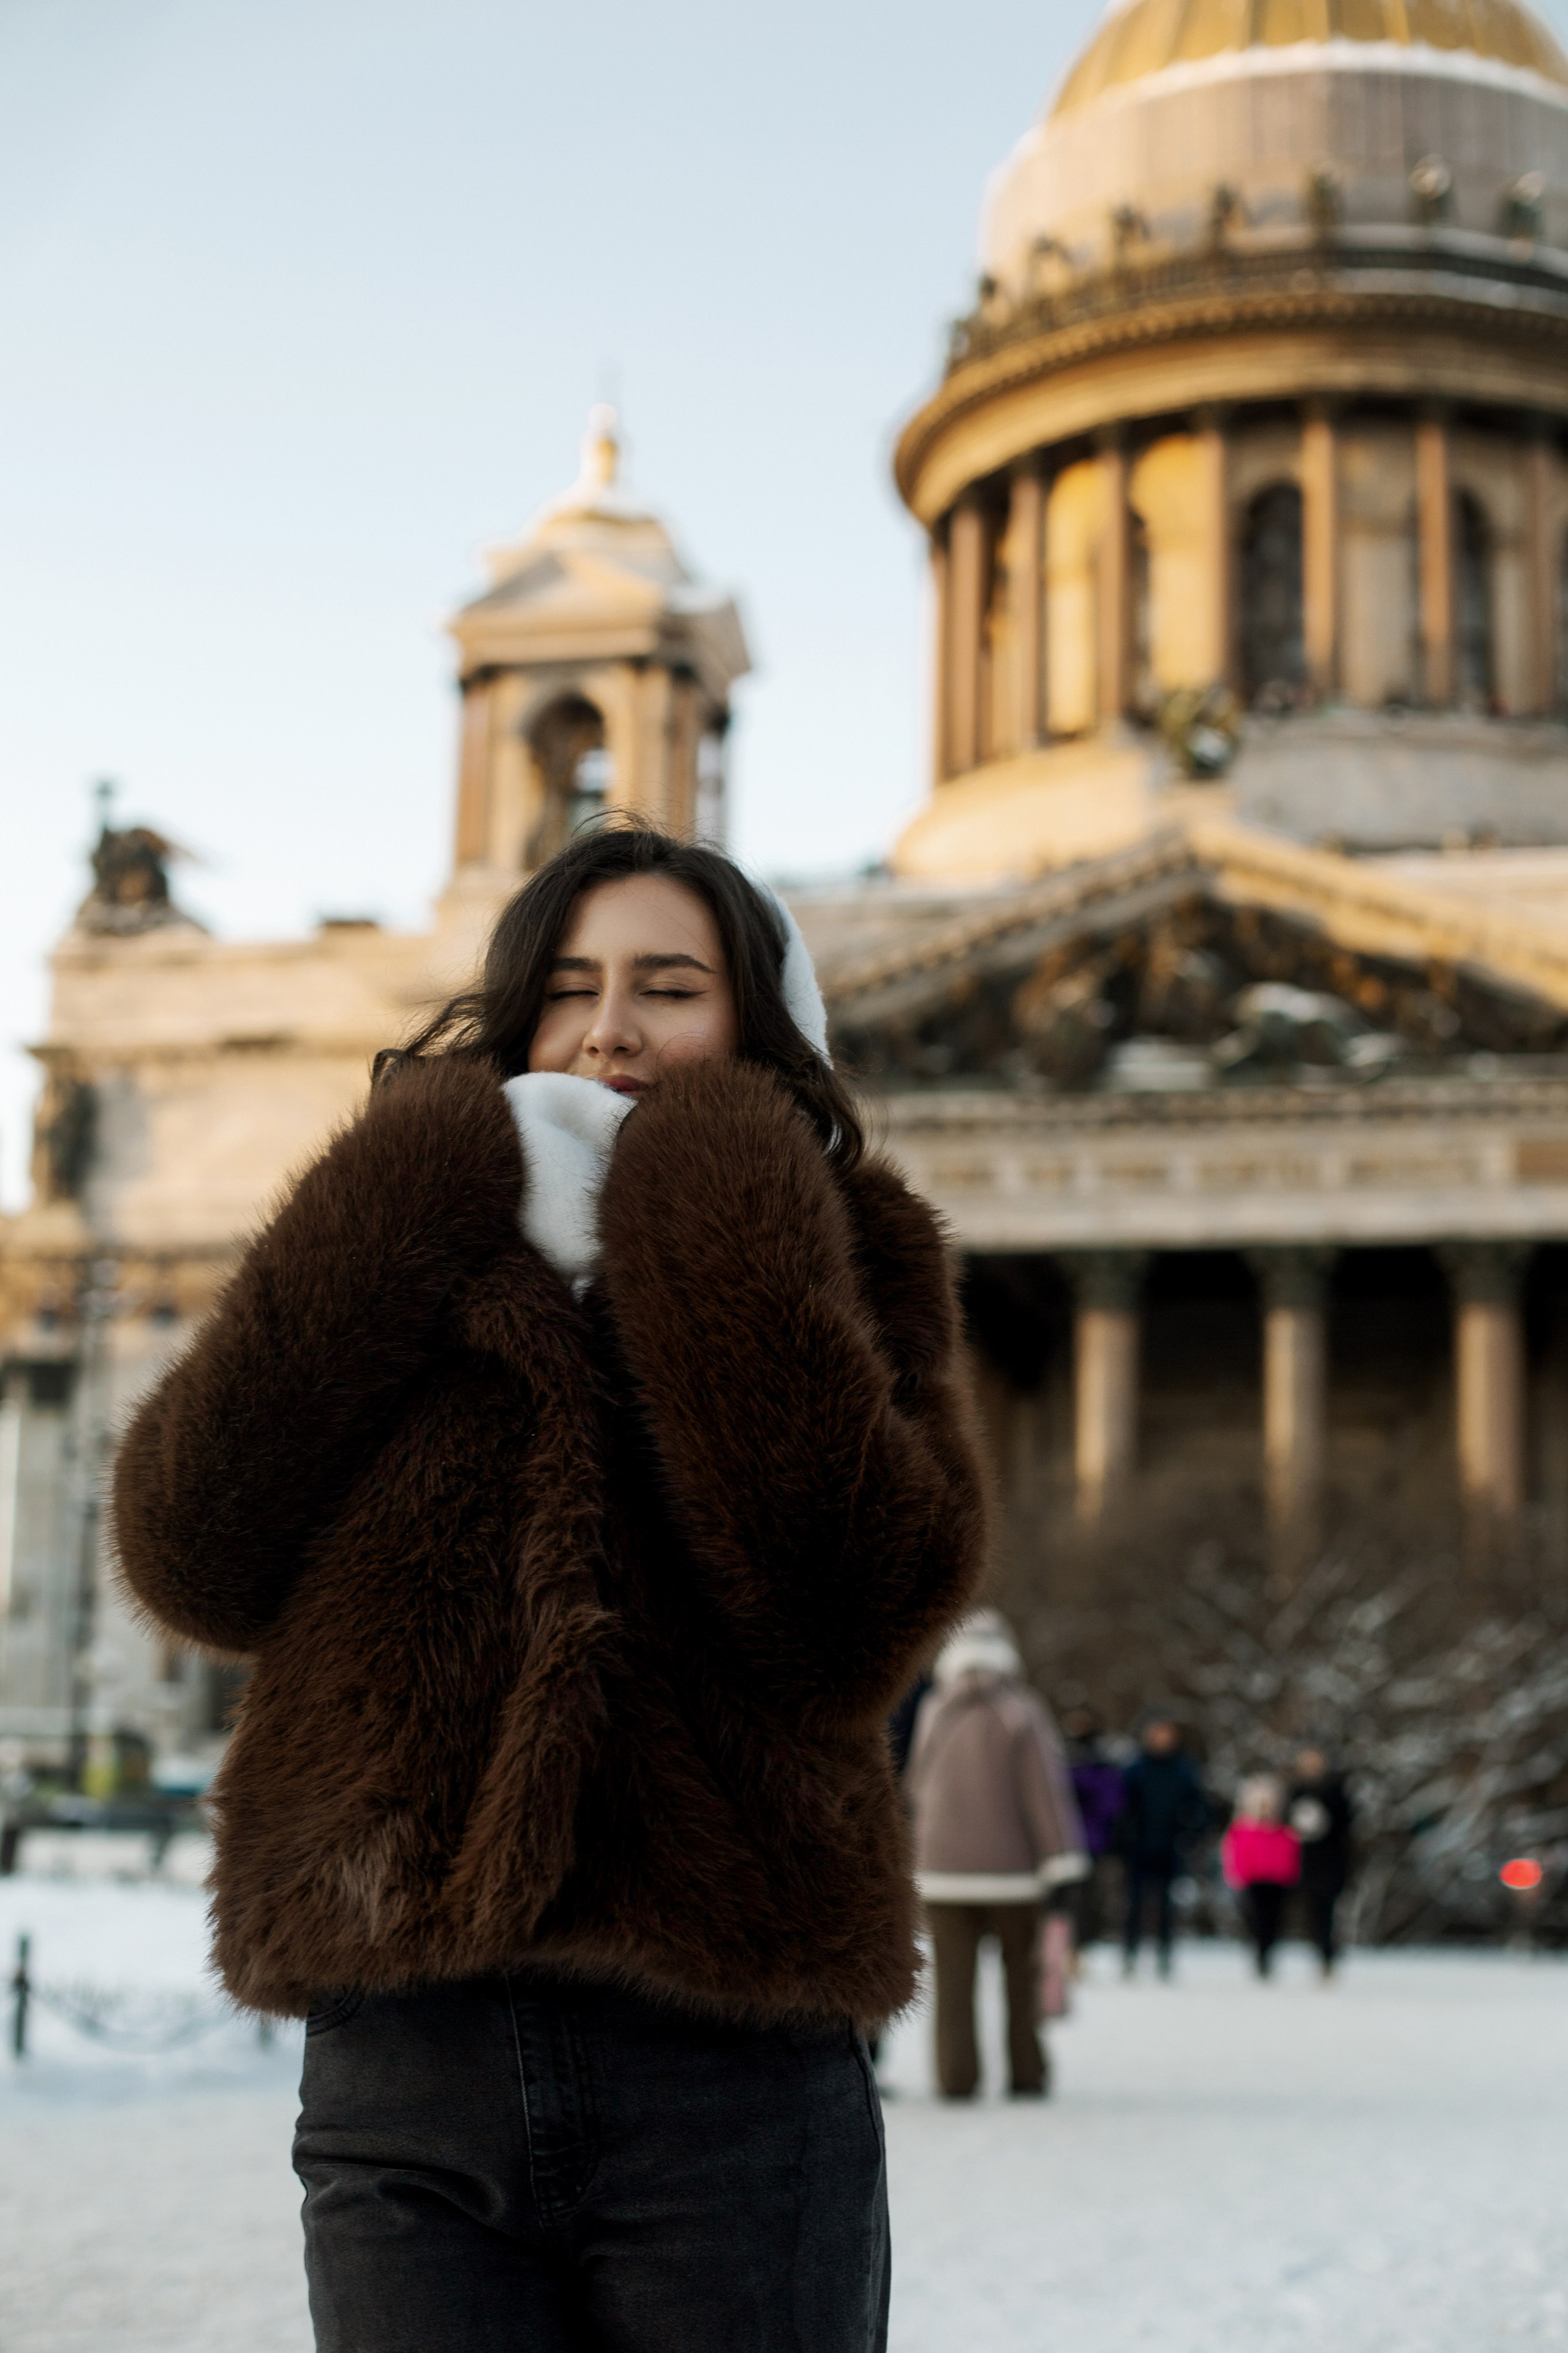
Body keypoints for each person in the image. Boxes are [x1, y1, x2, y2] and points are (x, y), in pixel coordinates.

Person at [111, 825, 986, 2353]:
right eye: (570, 985)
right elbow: (194, 1547)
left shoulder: (843, 1254)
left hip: (730, 2057)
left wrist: (719, 1212)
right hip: (409, 2054)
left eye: (670, 985)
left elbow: (850, 1611)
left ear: (757, 1025)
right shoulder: (399, 1248)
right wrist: (390, 1197)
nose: (611, 1028)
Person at [905, 1611, 1087, 2099]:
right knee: (1021, 1979)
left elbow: (915, 1787)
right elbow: (1043, 1794)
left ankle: (956, 2078)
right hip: (1014, 1875)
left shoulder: (933, 1708)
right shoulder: (1019, 1710)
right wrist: (1062, 1861)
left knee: (953, 1985)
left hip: (941, 1874)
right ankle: (1027, 2073)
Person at [1118, 1713, 1208, 1978]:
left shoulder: (1184, 1769)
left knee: (1169, 1906)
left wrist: (1191, 1832)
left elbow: (1198, 1804)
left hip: (1171, 1846)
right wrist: (1125, 1834)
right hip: (1139, 1846)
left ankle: (1165, 1955)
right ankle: (1130, 1954)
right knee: (1134, 1902)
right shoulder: (1136, 1768)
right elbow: (1122, 1806)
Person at [1060, 1704, 1126, 1952]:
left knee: (1087, 1900)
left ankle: (1081, 1948)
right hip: (1060, 1841)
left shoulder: (1102, 1762)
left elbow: (1112, 1802)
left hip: (1091, 1840)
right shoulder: (1058, 1757)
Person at [1221, 1774, 1302, 1977]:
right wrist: (1237, 1876)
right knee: (1256, 1920)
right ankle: (1259, 1955)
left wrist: (1291, 1877)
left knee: (1274, 1921)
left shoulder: (1284, 1830)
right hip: (1254, 1882)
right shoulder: (1244, 1829)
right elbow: (1235, 1854)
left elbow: (1292, 1856)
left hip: (1278, 1882)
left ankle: (1268, 1956)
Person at [1287, 1745, 1356, 1976]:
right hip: (1305, 1861)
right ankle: (1321, 1951)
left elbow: (1346, 1825)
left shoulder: (1336, 1791)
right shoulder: (1295, 1791)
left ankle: (1328, 1952)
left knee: (1328, 1908)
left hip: (1332, 1860)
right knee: (1312, 1909)